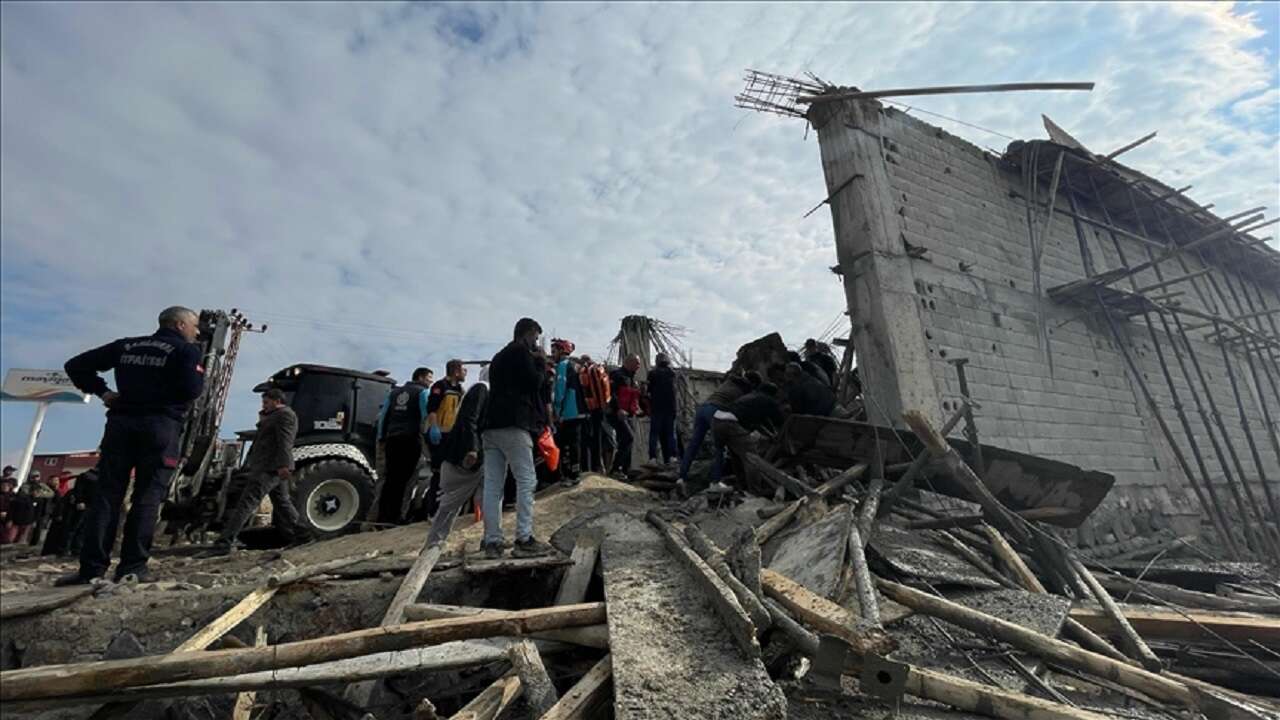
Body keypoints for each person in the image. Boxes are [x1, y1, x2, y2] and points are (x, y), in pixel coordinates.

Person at [56, 306, 205, 585]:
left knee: (106, 496)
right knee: (147, 497)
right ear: (179, 324)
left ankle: (91, 569)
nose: (197, 332)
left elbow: (75, 365)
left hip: (121, 424)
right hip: (160, 427)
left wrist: (104, 391)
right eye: (194, 326)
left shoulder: (126, 346)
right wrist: (164, 399)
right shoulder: (186, 352)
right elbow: (192, 390)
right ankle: (133, 568)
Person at [481, 318, 554, 559]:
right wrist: (541, 364)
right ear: (526, 334)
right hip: (514, 424)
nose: (535, 342)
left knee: (493, 485)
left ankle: (492, 541)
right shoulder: (520, 351)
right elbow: (534, 383)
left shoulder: (498, 357)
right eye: (535, 337)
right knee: (526, 480)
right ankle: (524, 538)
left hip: (490, 427)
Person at [205, 388, 308, 555]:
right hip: (270, 467)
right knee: (283, 503)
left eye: (266, 402)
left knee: (246, 503)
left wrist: (284, 465)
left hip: (270, 468)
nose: (264, 405)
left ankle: (224, 543)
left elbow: (285, 441)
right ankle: (303, 534)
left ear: (277, 401)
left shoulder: (285, 415)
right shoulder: (274, 416)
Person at [425, 366, 490, 547]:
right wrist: (473, 449)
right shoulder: (482, 388)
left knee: (487, 495)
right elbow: (470, 419)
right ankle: (433, 545)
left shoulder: (469, 390)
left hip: (468, 454)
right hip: (462, 456)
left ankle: (492, 539)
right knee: (450, 503)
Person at [678, 371, 760, 488]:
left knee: (694, 445)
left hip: (703, 408)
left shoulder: (730, 381)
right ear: (753, 384)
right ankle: (716, 481)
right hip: (716, 411)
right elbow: (742, 411)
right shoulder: (746, 390)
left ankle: (681, 477)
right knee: (719, 447)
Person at [373, 367, 433, 526]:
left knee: (391, 479)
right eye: (429, 378)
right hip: (411, 440)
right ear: (420, 377)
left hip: (392, 440)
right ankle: (398, 517)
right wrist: (430, 440)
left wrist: (381, 438)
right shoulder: (422, 392)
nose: (430, 381)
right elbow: (426, 417)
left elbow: (384, 416)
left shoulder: (394, 393)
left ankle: (383, 517)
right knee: (407, 480)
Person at [711, 383, 786, 494]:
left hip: (716, 420)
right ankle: (755, 491)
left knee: (736, 455)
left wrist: (770, 435)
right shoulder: (767, 400)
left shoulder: (750, 398)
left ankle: (743, 487)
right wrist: (777, 433)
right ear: (772, 394)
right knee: (751, 456)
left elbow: (758, 423)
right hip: (730, 423)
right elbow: (777, 421)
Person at [424, 360, 467, 517]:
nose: (465, 373)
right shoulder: (440, 386)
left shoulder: (460, 390)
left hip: (451, 435)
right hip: (438, 434)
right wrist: (434, 427)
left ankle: (447, 508)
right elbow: (432, 409)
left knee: (451, 472)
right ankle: (433, 511)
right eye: (463, 370)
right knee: (438, 473)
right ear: (456, 371)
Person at [550, 339, 586, 482]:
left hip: (568, 412)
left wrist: (557, 411)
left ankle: (568, 476)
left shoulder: (562, 366)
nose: (553, 355)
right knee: (575, 443)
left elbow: (560, 390)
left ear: (561, 351)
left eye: (554, 352)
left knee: (564, 444)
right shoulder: (576, 365)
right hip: (580, 410)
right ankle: (576, 473)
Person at [576, 355, 612, 474]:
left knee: (586, 439)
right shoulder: (599, 370)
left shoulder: (584, 372)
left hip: (588, 409)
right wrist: (603, 406)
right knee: (598, 437)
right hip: (600, 409)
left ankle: (587, 467)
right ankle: (598, 465)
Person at [608, 355, 642, 479]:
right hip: (617, 413)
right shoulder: (617, 375)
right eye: (637, 363)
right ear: (628, 362)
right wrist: (618, 409)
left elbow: (634, 397)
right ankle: (615, 469)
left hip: (629, 414)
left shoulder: (632, 378)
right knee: (628, 437)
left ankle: (626, 470)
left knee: (629, 441)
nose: (639, 366)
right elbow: (611, 394)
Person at [646, 353, 679, 464]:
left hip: (657, 408)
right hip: (670, 408)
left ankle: (653, 458)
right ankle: (672, 456)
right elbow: (675, 392)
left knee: (654, 433)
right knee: (671, 433)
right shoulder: (672, 373)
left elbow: (648, 391)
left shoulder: (652, 374)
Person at [0, 475, 18, 545]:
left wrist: (9, 517)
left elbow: (14, 508)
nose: (4, 487)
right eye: (3, 485)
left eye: (6, 485)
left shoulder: (13, 496)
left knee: (5, 538)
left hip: (7, 518)